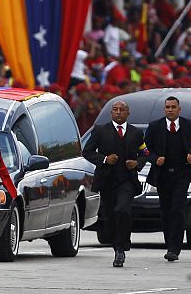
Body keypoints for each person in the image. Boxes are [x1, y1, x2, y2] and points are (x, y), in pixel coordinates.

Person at [82, 100, 147, 268]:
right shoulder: (100, 131)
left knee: (122, 209)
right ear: (111, 113)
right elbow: (87, 152)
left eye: (122, 110)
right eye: (115, 110)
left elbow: (145, 153)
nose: (118, 112)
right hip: (107, 181)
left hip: (127, 181)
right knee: (110, 215)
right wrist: (104, 159)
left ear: (128, 113)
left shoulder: (136, 133)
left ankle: (121, 247)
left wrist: (137, 163)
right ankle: (117, 243)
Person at [144, 96, 191, 261]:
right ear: (164, 109)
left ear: (179, 109)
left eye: (173, 107)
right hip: (162, 174)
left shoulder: (188, 125)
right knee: (166, 210)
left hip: (182, 173)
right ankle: (169, 243)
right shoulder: (155, 126)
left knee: (178, 208)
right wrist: (155, 159)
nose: (170, 109)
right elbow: (146, 149)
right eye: (167, 107)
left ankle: (174, 248)